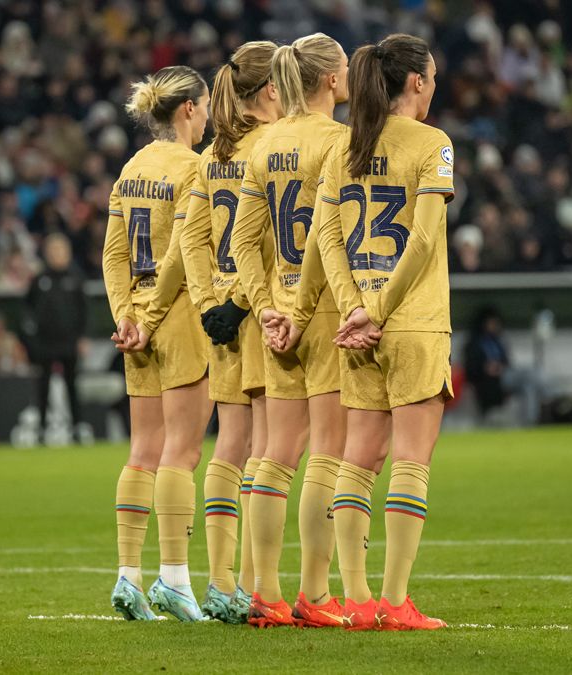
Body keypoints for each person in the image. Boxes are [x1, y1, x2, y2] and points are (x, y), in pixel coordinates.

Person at [132, 42, 278, 625]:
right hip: (264, 310)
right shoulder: (270, 148)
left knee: (232, 447)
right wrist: (241, 303)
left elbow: (189, 239)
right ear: (275, 87)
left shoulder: (213, 157)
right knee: (273, 450)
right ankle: (255, 586)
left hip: (219, 318)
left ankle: (221, 584)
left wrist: (213, 303)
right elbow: (261, 241)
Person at [313, 34, 453, 630]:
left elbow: (328, 240)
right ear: (415, 81)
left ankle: (356, 597)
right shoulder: (433, 144)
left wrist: (354, 309)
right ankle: (395, 602)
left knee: (357, 461)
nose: (437, 83)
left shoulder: (345, 147)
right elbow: (421, 241)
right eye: (434, 75)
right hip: (413, 321)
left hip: (357, 329)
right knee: (411, 462)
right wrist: (382, 310)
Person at [226, 33, 350, 628]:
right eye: (345, 68)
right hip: (322, 310)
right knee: (328, 450)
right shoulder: (341, 142)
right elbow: (334, 240)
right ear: (329, 79)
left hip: (275, 314)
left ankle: (264, 592)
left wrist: (268, 306)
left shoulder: (265, 143)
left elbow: (241, 241)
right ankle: (316, 594)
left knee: (275, 453)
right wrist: (301, 310)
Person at [100, 65, 214, 622]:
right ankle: (174, 577)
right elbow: (182, 254)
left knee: (143, 449)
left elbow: (113, 254)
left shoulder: (132, 169)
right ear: (189, 108)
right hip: (181, 316)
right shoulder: (195, 169)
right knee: (182, 453)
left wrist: (125, 314)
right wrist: (148, 315)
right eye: (208, 103)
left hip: (137, 325)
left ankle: (127, 574)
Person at [22, 233, 87, 441]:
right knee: (43, 386)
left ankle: (77, 427)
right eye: (53, 251)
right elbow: (27, 309)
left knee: (72, 385)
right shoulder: (40, 279)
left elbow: (84, 310)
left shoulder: (75, 278)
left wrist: (83, 337)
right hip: (45, 342)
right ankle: (41, 429)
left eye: (61, 250)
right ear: (47, 254)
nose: (57, 255)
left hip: (69, 341)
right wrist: (31, 339)